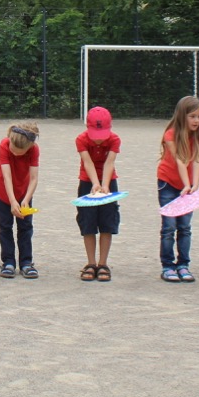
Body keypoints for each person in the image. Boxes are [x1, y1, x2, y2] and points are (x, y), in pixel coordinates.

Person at [157, 96, 199, 283]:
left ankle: (183, 265)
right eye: (192, 116)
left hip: (187, 187)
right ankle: (168, 266)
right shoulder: (171, 134)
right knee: (169, 227)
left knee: (185, 227)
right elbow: (181, 159)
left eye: (198, 116)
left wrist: (194, 185)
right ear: (181, 116)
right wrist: (186, 184)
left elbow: (198, 160)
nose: (196, 120)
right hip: (167, 183)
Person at [76, 106, 120, 283]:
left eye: (102, 136)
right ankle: (91, 263)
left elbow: (110, 163)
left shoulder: (115, 140)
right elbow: (87, 162)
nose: (99, 140)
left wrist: (105, 185)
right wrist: (95, 183)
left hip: (109, 182)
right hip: (87, 182)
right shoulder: (81, 139)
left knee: (107, 222)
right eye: (96, 136)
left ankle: (103, 264)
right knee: (88, 222)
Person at [0, 123, 40, 279]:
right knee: (5, 227)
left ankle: (26, 262)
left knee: (26, 227)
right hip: (4, 192)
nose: (15, 153)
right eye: (13, 149)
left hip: (24, 191)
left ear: (30, 147)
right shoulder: (4, 145)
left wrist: (26, 199)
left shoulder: (34, 149)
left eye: (20, 152)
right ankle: (8, 262)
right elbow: (6, 176)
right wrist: (12, 201)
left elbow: (34, 178)